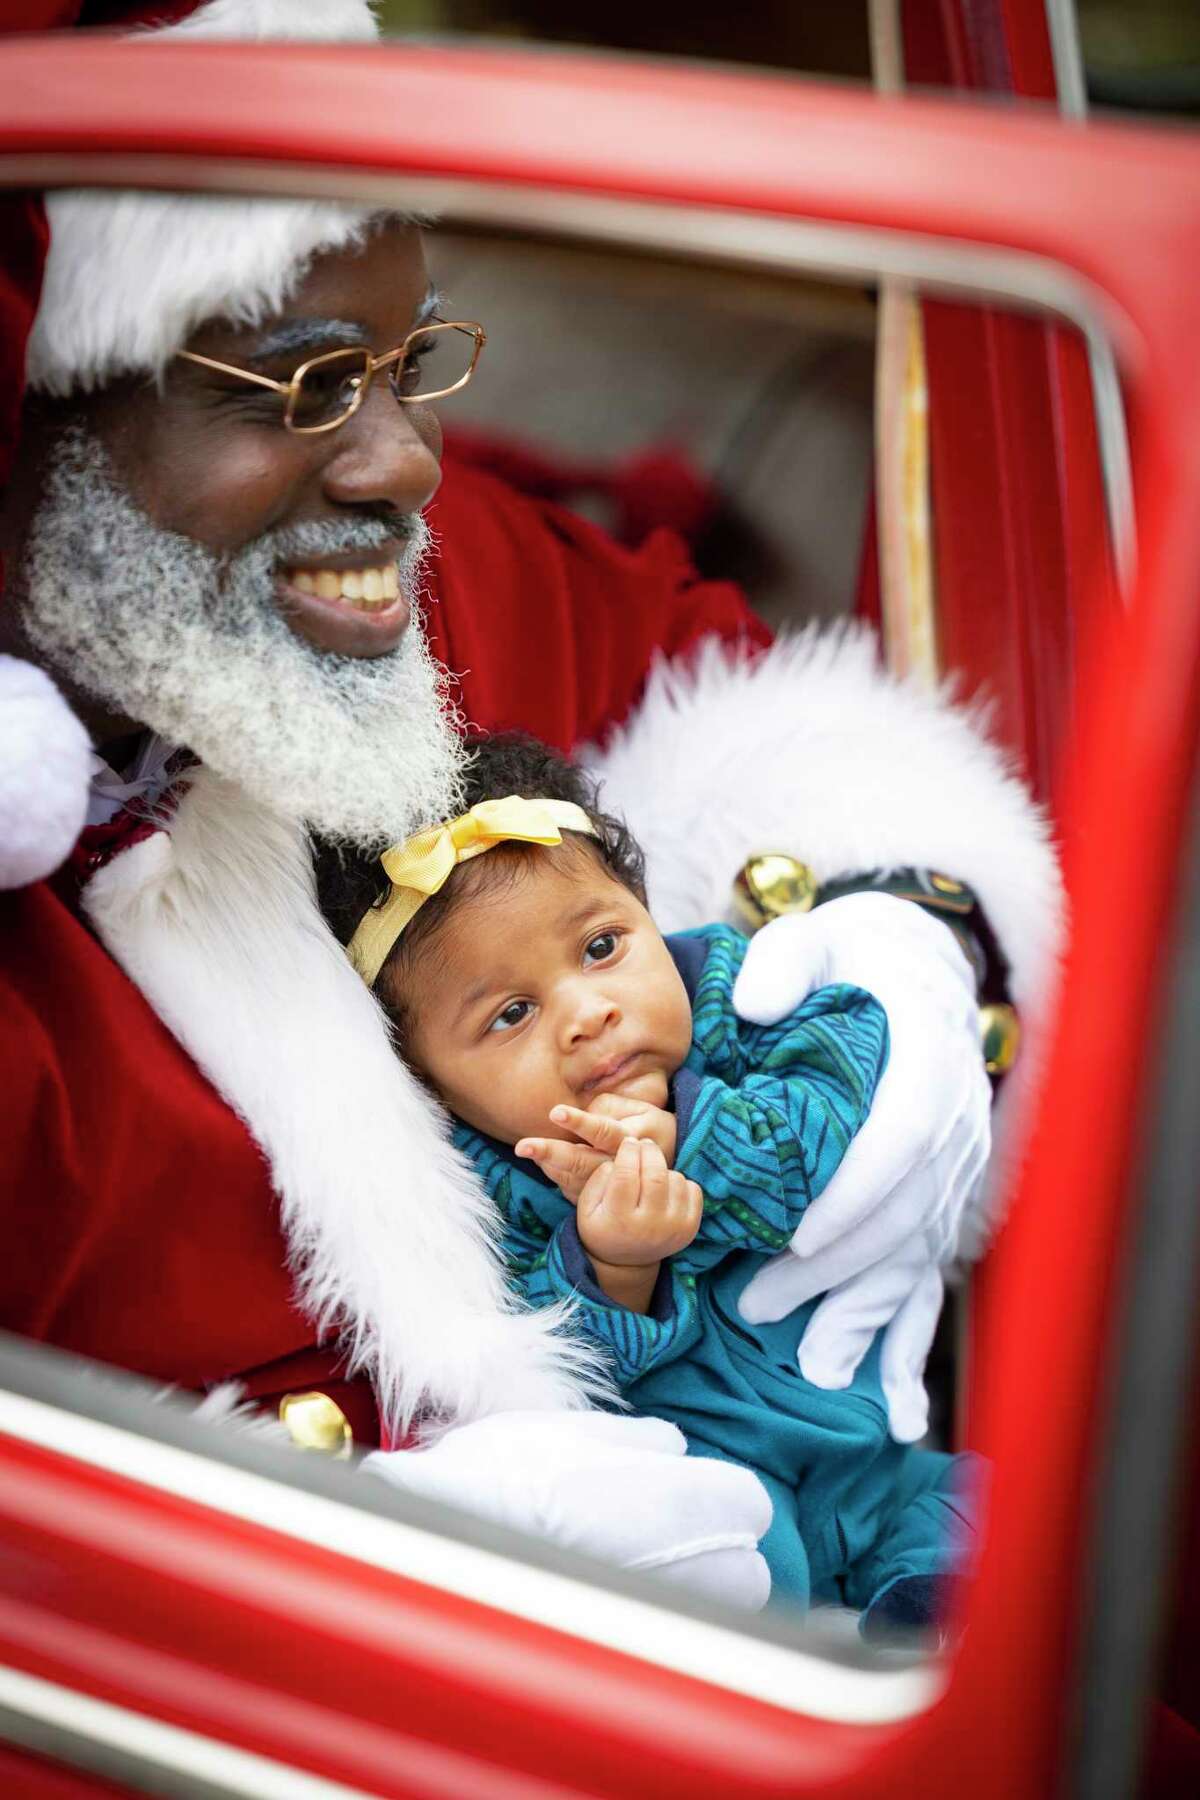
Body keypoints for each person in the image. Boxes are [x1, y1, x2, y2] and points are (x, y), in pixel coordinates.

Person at [0, 0, 1060, 1604]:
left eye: (407, 364)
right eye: (295, 390)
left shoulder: (417, 580)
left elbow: (723, 687)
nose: (408, 460)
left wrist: (907, 940)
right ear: (40, 418)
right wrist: (353, 1572)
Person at [319, 731, 978, 1634]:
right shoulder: (483, 1183)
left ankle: (928, 1613)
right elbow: (554, 1379)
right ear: (433, 1081)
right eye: (511, 1014)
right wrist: (612, 1261)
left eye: (600, 946)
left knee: (993, 1506)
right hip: (719, 1469)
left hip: (879, 1450)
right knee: (743, 1563)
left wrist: (696, 1147)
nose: (588, 1014)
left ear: (646, 911)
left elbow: (844, 1098)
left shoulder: (743, 1001)